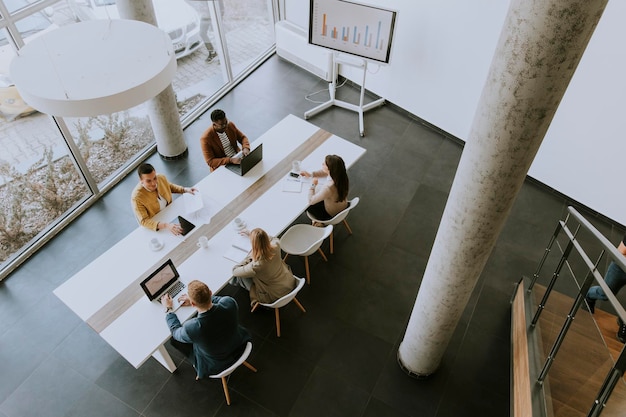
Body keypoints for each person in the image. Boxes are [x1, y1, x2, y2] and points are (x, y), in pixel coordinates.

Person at [161, 280, 252, 378]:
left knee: (174, 340)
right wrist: (202, 300)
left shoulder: (192, 327)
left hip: (217, 364)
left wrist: (169, 310)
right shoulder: (229, 303)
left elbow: (175, 332)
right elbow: (216, 300)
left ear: (192, 304)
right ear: (211, 293)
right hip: (239, 345)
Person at [230, 228, 297, 308]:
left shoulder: (256, 265)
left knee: (238, 277)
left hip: (274, 295)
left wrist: (250, 256)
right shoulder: (276, 245)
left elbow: (235, 270)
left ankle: (234, 286)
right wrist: (254, 236)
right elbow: (272, 238)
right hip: (288, 283)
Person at [130, 163, 198, 234]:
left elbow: (169, 186)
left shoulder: (160, 177)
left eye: (154, 178)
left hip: (170, 214)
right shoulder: (136, 197)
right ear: (141, 180)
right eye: (148, 181)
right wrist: (166, 225)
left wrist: (184, 190)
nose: (154, 183)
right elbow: (144, 221)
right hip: (158, 224)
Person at [585, 234, 626, 342]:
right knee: (605, 294)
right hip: (620, 267)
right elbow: (621, 252)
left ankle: (624, 321)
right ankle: (588, 295)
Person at [300, 154, 349, 222]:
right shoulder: (340, 175)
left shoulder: (328, 187)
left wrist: (313, 185)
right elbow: (325, 172)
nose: (322, 164)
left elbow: (311, 201)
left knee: (305, 205)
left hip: (331, 213)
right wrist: (311, 174)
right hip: (342, 206)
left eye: (325, 164)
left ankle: (319, 223)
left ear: (330, 169)